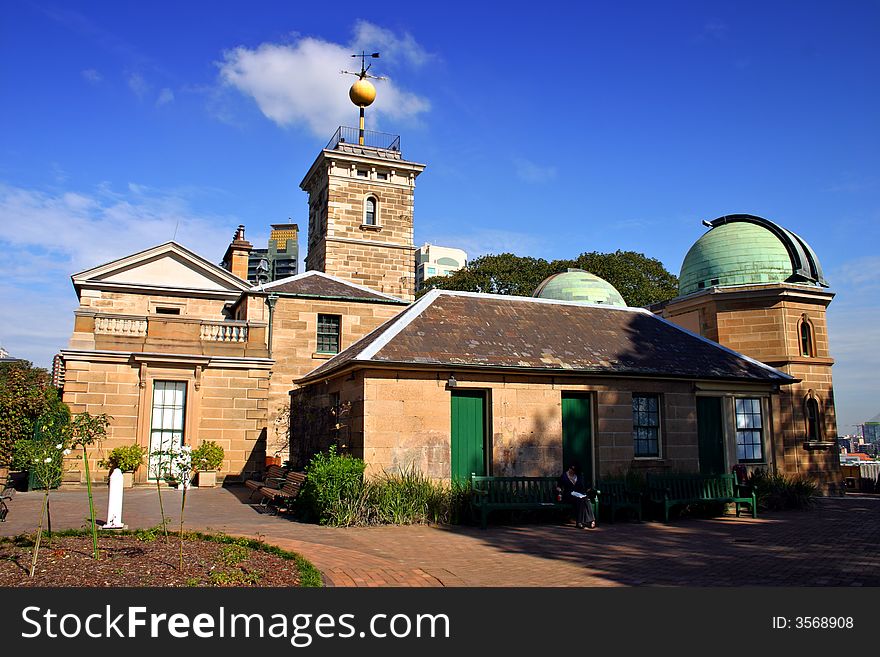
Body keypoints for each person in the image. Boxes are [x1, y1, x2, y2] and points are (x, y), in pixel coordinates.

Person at [557, 464, 597, 529]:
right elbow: (559, 486)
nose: (571, 471)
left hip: (578, 494)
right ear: (569, 468)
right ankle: (579, 522)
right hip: (568, 494)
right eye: (571, 469)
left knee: (586, 499)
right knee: (579, 500)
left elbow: (582, 486)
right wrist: (559, 490)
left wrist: (585, 489)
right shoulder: (564, 476)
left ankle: (591, 520)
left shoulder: (578, 476)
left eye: (573, 470)